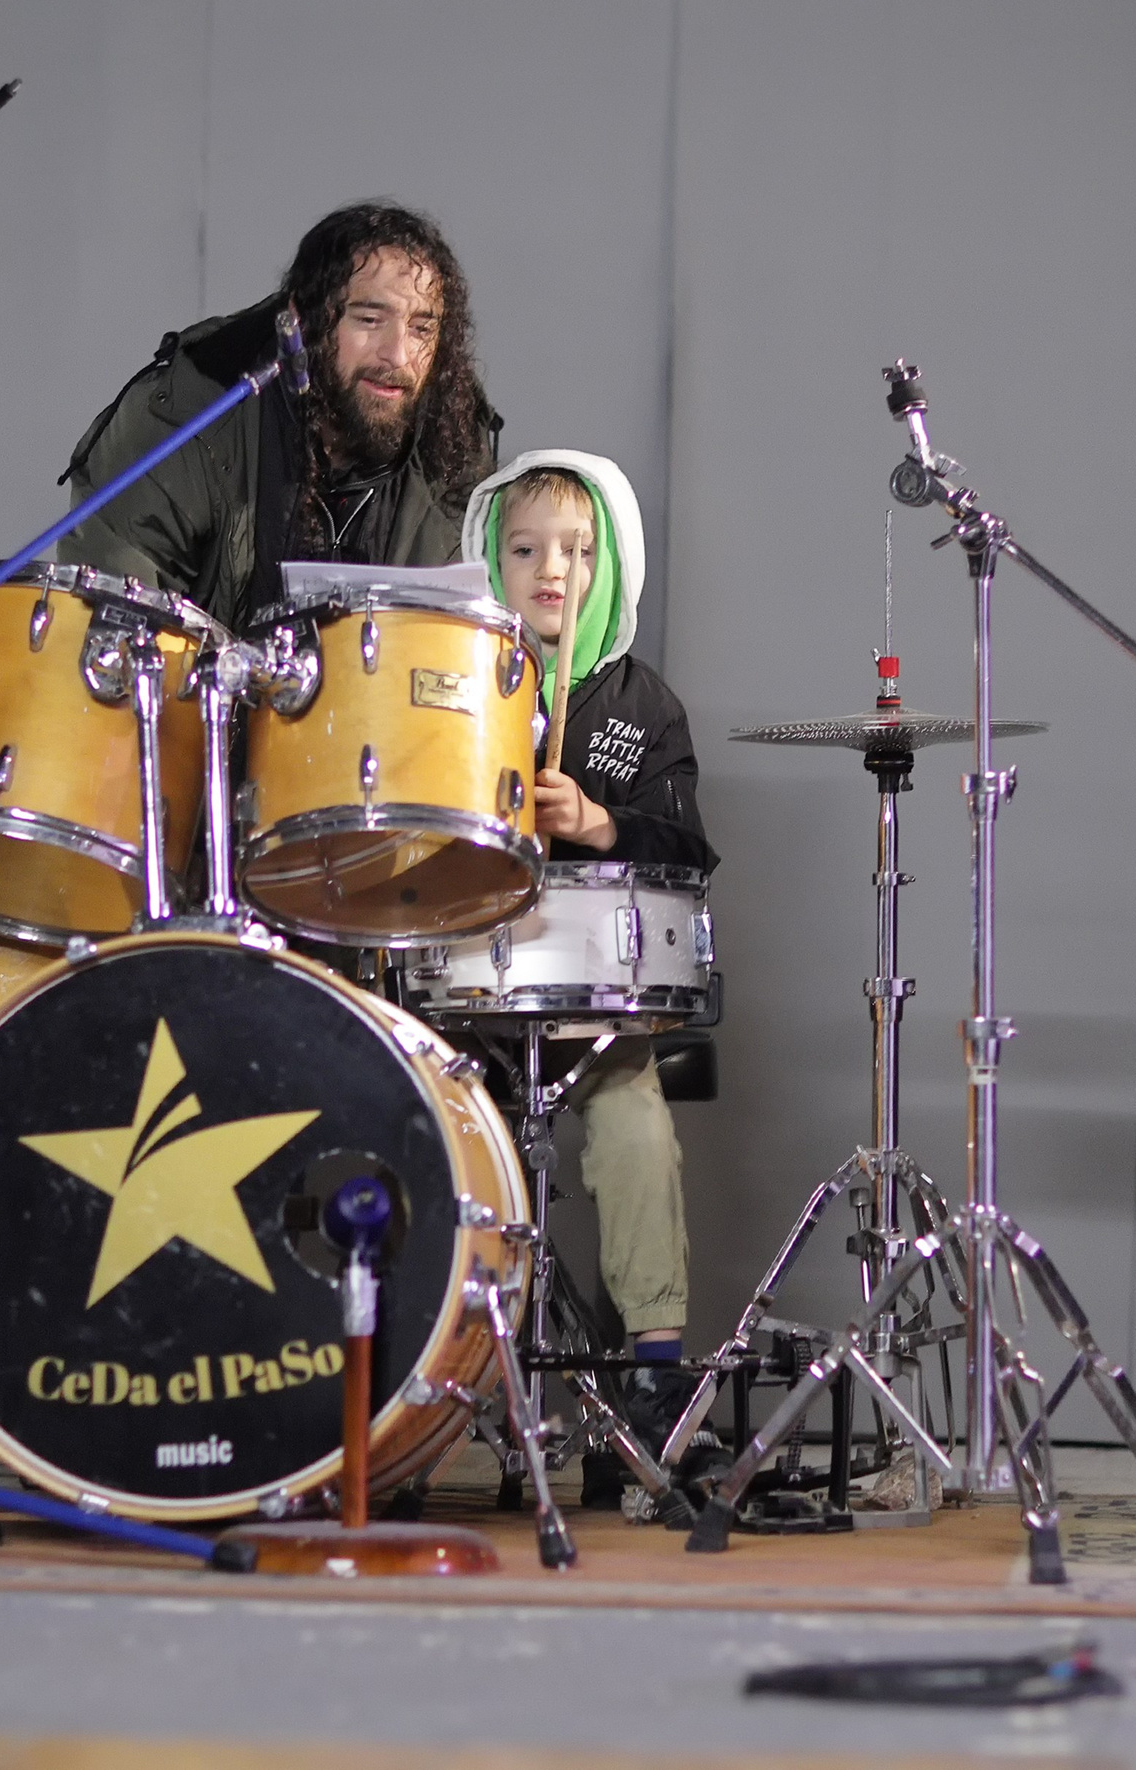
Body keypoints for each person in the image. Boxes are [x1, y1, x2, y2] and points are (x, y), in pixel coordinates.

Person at [462, 449, 723, 1503]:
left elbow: (690, 849)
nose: (550, 570)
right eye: (523, 549)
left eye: (575, 551)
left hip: (598, 1014)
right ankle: (402, 1386)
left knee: (635, 1131)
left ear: (608, 565)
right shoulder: (455, 679)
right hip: (464, 1001)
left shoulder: (641, 704)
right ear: (490, 558)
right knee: (409, 1130)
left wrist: (599, 821)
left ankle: (651, 1395)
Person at [60, 201, 497, 628]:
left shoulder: (453, 447)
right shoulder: (191, 414)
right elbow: (115, 617)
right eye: (369, 319)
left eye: (422, 329)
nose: (398, 355)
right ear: (302, 322)